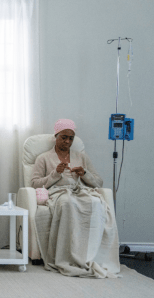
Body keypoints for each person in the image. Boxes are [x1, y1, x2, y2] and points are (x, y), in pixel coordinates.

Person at [31, 119, 120, 278]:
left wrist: (84, 174)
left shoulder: (82, 157)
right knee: (68, 203)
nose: (67, 141)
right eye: (63, 137)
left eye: (71, 138)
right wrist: (55, 174)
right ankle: (67, 256)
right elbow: (34, 183)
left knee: (95, 202)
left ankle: (91, 255)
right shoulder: (43, 158)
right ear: (56, 136)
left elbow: (98, 182)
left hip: (81, 191)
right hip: (58, 193)